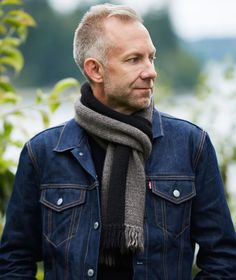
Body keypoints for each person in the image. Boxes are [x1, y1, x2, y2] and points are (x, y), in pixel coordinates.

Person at [0, 3, 236, 279]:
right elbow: (14, 260)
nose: (150, 72)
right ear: (95, 70)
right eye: (134, 59)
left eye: (151, 57)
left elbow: (223, 259)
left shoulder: (191, 144)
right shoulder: (43, 153)